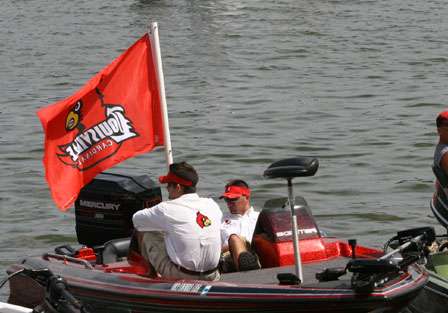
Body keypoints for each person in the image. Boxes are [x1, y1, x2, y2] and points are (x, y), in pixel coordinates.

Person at [132, 162, 222, 281]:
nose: (167, 188)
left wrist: (157, 216)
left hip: (183, 275)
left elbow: (136, 219)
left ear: (178, 187)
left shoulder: (166, 208)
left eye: (169, 185)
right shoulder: (212, 205)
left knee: (146, 230)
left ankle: (149, 277)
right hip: (212, 275)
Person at [220, 179, 261, 272]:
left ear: (246, 196)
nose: (229, 203)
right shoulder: (220, 220)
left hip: (258, 256)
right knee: (235, 239)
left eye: (233, 199)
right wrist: (230, 246)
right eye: (227, 199)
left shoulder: (259, 217)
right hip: (229, 260)